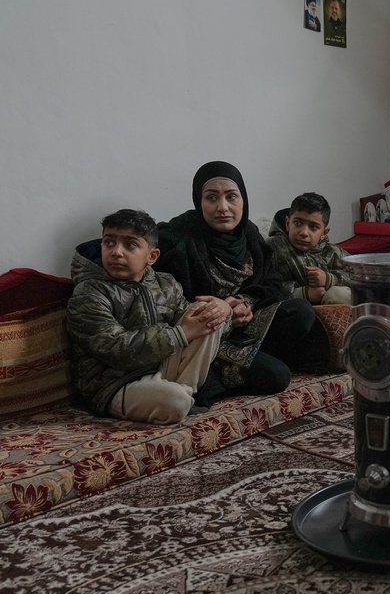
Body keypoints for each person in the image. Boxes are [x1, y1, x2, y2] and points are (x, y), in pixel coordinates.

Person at [155, 161, 328, 403]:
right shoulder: (176, 240)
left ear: (243, 200)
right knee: (277, 376)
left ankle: (251, 360)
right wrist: (224, 312)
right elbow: (166, 303)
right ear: (198, 200)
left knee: (301, 311)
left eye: (231, 197)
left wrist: (246, 302)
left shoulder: (249, 233)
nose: (222, 207)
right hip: (207, 340)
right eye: (211, 197)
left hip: (247, 328)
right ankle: (218, 372)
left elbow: (272, 283)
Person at [67, 209, 228, 424]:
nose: (116, 252)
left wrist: (224, 309)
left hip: (160, 368)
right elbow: (116, 349)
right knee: (175, 401)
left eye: (130, 245)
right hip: (115, 384)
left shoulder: (166, 283)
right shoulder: (89, 293)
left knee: (205, 311)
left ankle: (182, 392)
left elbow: (200, 326)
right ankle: (181, 397)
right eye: (109, 243)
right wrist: (179, 335)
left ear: (151, 256)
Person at [267, 192, 352, 305]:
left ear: (324, 233)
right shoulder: (271, 248)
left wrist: (329, 279)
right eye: (297, 223)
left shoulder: (333, 252)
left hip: (328, 308)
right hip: (292, 309)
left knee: (339, 294)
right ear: (287, 223)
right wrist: (303, 293)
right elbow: (262, 285)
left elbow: (359, 277)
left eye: (313, 227)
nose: (304, 232)